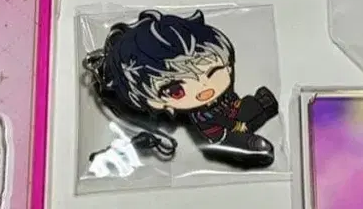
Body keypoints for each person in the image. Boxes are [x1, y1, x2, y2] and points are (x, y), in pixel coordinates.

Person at [87, 10, 278, 168]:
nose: (204, 89)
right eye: (176, 91)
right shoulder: (199, 115)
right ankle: (246, 141)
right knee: (230, 134)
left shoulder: (221, 88)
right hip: (217, 131)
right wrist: (237, 127)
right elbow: (216, 122)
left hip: (231, 107)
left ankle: (260, 106)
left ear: (227, 65)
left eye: (213, 71)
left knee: (249, 108)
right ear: (156, 102)